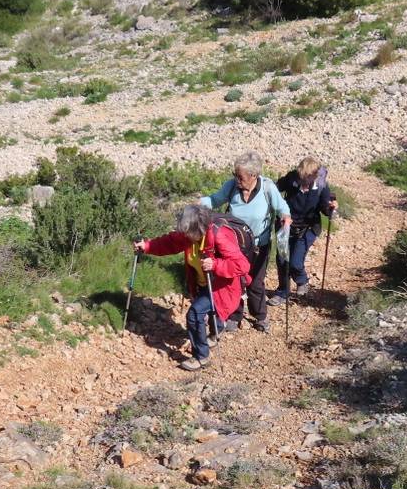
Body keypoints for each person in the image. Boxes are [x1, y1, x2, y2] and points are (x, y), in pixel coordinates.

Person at [134, 204, 250, 371]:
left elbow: (242, 265)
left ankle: (201, 357)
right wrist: (147, 246)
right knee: (206, 311)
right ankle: (217, 327)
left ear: (198, 228)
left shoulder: (220, 235)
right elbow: (170, 242)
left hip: (221, 287)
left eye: (186, 231)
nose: (183, 235)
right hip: (203, 283)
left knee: (194, 314)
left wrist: (215, 264)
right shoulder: (189, 236)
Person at [200, 151, 291, 332]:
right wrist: (198, 204)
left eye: (240, 176)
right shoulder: (231, 187)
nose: (236, 179)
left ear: (253, 175)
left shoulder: (267, 188)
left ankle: (260, 316)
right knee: (234, 280)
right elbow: (215, 200)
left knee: (255, 282)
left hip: (259, 245)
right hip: (233, 246)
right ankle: (234, 315)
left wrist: (286, 218)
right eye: (235, 175)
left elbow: (282, 207)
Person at [269, 157, 337, 305]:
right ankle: (282, 292)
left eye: (306, 178)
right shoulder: (292, 178)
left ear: (314, 176)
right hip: (285, 225)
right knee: (281, 261)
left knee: (295, 262)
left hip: (308, 228)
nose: (303, 181)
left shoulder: (321, 186)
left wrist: (331, 209)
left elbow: (325, 208)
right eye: (301, 177)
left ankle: (302, 280)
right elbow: (275, 189)